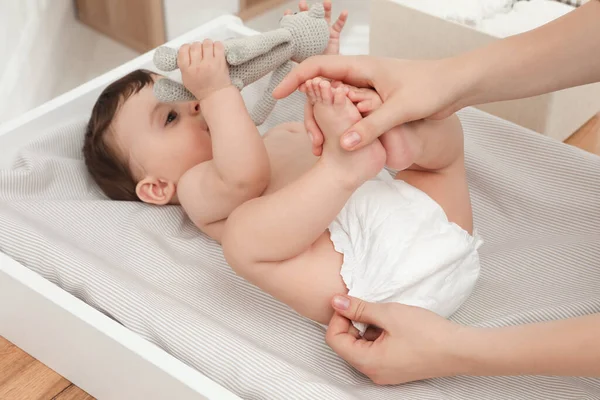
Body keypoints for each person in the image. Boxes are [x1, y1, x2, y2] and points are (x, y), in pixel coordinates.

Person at [82, 1, 481, 338]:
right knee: (242, 239)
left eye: (188, 96)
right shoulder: (194, 186)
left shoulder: (280, 133)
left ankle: (399, 147)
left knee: (440, 127)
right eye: (170, 117)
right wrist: (218, 90)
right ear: (155, 188)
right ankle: (346, 169)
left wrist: (323, 71)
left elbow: (320, 126)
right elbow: (245, 177)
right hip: (375, 283)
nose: (197, 104)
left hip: (441, 226)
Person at [272, 0, 600, 385]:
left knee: (249, 247)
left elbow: (241, 178)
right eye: (178, 117)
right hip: (403, 260)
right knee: (443, 154)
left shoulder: (226, 165)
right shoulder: (195, 184)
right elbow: (238, 175)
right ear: (176, 188)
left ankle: (347, 164)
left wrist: (219, 97)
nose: (195, 112)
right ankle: (386, 145)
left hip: (367, 263)